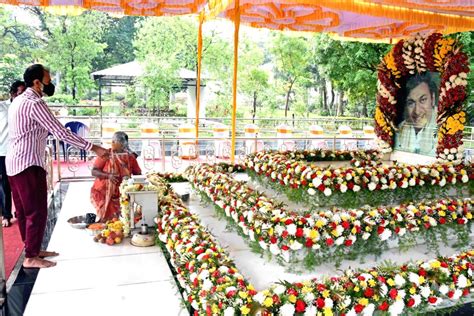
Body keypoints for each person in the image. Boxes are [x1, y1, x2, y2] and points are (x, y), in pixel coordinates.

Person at [6, 64, 108, 269]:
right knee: (36, 211)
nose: (50, 83)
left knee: (25, 212)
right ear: (36, 82)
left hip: (14, 163)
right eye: (48, 79)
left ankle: (31, 249)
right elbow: (60, 132)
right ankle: (31, 256)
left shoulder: (18, 101)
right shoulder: (34, 103)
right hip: (27, 164)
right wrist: (93, 147)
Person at [91, 131, 141, 222]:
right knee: (107, 220)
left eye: (115, 141)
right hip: (103, 192)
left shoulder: (130, 157)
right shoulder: (106, 154)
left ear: (122, 144)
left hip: (122, 193)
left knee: (120, 220)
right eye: (112, 141)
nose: (112, 143)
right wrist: (108, 176)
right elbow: (94, 171)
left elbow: (138, 173)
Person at [0, 81, 26, 227]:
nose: (23, 96)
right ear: (12, 94)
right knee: (5, 184)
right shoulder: (2, 107)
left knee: (20, 183)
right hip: (3, 151)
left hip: (20, 153)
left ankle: (21, 212)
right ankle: (6, 214)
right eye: (20, 93)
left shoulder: (26, 107)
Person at [394, 73, 438, 155]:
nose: (417, 111)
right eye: (411, 103)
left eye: (423, 100)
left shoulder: (443, 128)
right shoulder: (401, 128)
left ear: (433, 99)